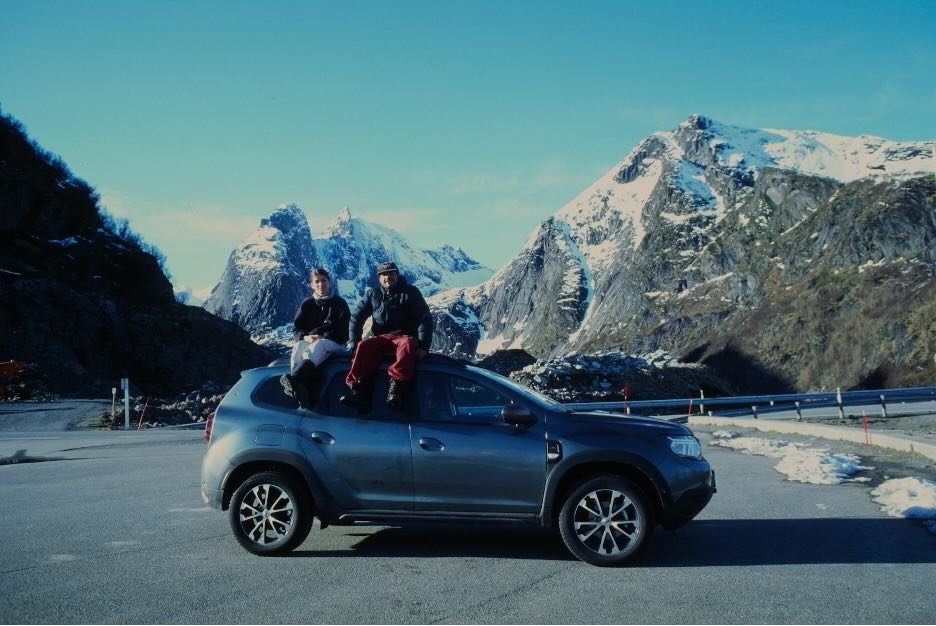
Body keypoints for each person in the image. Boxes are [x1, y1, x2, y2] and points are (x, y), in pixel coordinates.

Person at [340, 261, 433, 413]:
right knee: (363, 346)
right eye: (383, 274)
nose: (387, 277)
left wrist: (423, 346)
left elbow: (424, 318)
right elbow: (356, 317)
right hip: (382, 338)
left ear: (397, 274)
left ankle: (396, 388)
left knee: (408, 343)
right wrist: (354, 341)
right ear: (378, 278)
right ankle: (359, 391)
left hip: (404, 336)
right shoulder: (373, 294)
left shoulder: (411, 292)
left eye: (391, 273)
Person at [280, 267, 350, 406]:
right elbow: (297, 328)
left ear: (329, 282)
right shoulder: (307, 304)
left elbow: (345, 332)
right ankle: (300, 391)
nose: (321, 284)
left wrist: (323, 337)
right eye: (316, 281)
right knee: (299, 346)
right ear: (311, 285)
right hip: (311, 342)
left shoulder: (340, 304)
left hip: (335, 344)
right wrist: (305, 337)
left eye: (323, 280)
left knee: (320, 345)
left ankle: (294, 379)